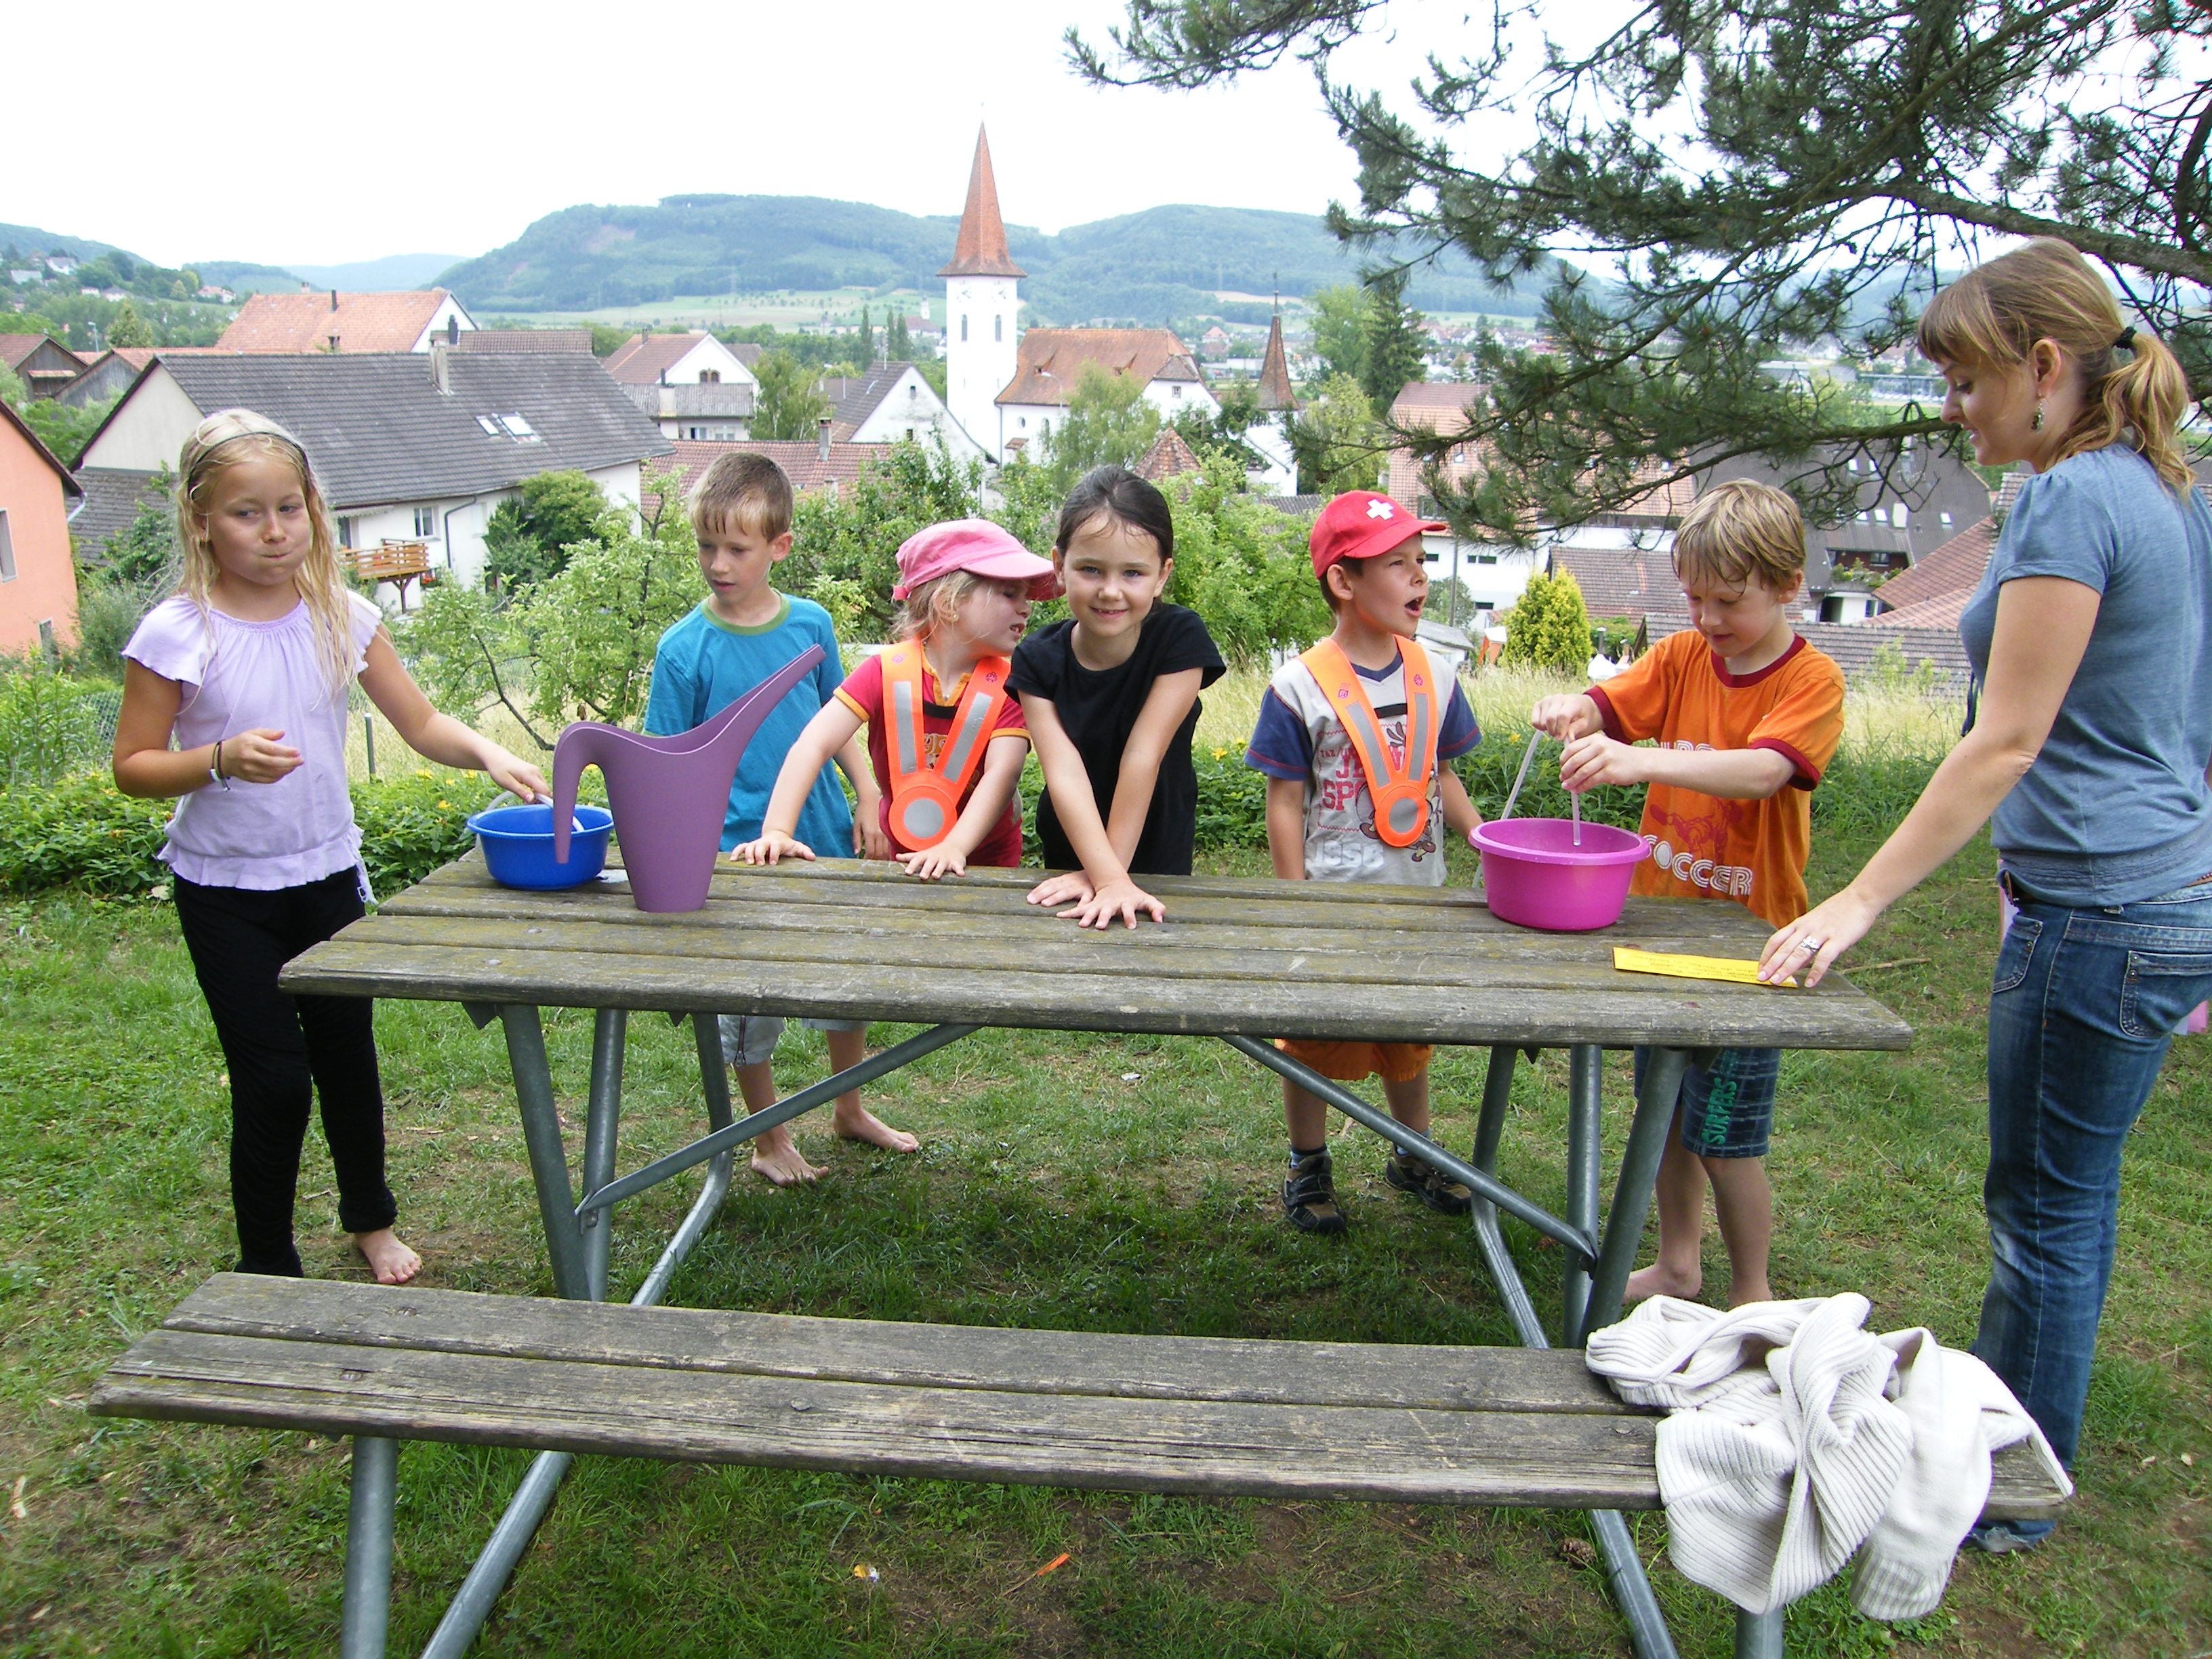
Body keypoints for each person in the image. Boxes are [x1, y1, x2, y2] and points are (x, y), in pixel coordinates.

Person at [1756, 239, 2212, 1548]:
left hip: (2097, 914)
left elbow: (2002, 738)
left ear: (2044, 366)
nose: (1954, 409)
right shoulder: (2171, 491)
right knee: (2070, 1197)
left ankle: (2003, 1492)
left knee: (2040, 1214)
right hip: (2164, 895)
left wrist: (1857, 901)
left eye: (1964, 380)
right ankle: (2014, 1452)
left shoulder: (2071, 502)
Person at [112, 409, 546, 1286]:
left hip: (326, 879)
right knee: (274, 1082)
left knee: (350, 1063)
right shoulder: (176, 633)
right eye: (246, 513)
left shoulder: (341, 617)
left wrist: (489, 753)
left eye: (289, 508)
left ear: (313, 509)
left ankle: (371, 1222)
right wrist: (220, 760)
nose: (273, 532)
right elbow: (133, 766)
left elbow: (419, 721)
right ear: (201, 519)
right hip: (223, 893)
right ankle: (268, 1261)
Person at [1533, 480, 1845, 1307]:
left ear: (1788, 585)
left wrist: (1643, 760)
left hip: (1751, 951)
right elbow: (1612, 704)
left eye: (1728, 601)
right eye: (1694, 598)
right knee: (1664, 1116)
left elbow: (1765, 770)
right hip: (1661, 932)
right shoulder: (1679, 658)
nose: (1707, 619)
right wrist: (1579, 709)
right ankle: (1678, 1264)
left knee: (1728, 1137)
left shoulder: (1810, 681)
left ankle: (1753, 1292)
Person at [642, 451, 912, 1188]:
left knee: (842, 985)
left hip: (823, 841)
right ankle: (768, 1137)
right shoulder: (682, 649)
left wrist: (868, 796)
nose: (718, 564)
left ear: (779, 547)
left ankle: (848, 1108)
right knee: (751, 1004)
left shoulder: (813, 626)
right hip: (738, 859)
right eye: (707, 547)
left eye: (737, 548)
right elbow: (665, 765)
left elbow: (843, 721)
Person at [1244, 491, 1486, 1233]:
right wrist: (1296, 903)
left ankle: (1414, 1151)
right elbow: (1285, 801)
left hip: (1417, 898)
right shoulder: (1297, 686)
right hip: (1332, 901)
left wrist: (1492, 847)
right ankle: (1307, 1162)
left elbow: (1443, 776)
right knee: (1315, 1033)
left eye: (1423, 563)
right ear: (1344, 582)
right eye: (1399, 565)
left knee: (1407, 1033)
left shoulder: (1438, 676)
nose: (1419, 580)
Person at [737, 518, 1053, 880]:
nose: (1026, 607)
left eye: (1025, 596)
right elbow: (813, 744)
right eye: (1009, 594)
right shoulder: (883, 672)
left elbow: (1003, 773)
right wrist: (777, 830)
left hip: (984, 862)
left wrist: (954, 848)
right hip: (902, 852)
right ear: (949, 602)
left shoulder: (1011, 684)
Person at [1009, 466, 1225, 928]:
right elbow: (1063, 773)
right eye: (1091, 569)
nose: (1111, 591)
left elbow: (1143, 756)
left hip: (1155, 852)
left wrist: (1111, 878)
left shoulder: (1180, 639)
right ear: (1059, 566)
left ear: (1162, 575)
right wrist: (1102, 876)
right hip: (1071, 852)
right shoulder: (1035, 660)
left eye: (1133, 572)